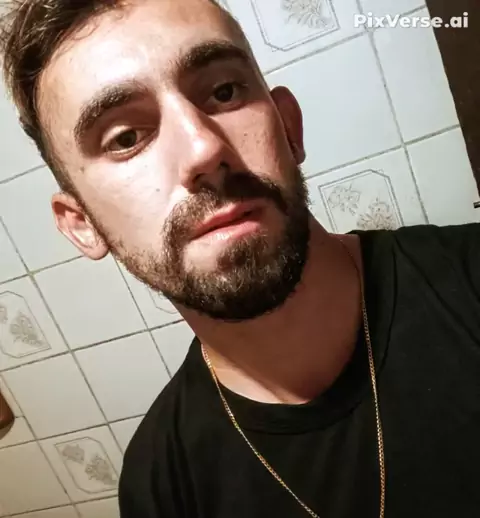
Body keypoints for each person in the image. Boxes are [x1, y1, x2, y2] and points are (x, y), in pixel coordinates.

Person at [1, 0, 480, 516]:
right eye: (126, 138)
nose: (203, 149)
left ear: (289, 126)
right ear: (83, 224)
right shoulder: (163, 487)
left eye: (224, 91)